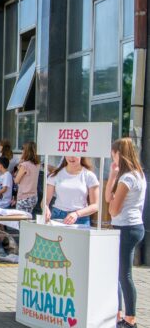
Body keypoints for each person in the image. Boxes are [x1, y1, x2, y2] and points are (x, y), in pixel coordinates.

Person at [105, 138, 146, 328]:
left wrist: (113, 202)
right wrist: (112, 175)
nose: (111, 156)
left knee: (124, 275)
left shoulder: (128, 178)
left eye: (113, 153)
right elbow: (108, 198)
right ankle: (119, 314)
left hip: (126, 228)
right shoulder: (137, 175)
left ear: (119, 153)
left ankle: (130, 319)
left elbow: (113, 209)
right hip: (133, 226)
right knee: (120, 273)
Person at [44, 156, 99, 226]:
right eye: (68, 154)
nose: (71, 157)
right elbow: (46, 200)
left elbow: (95, 205)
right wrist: (45, 207)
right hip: (57, 217)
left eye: (75, 154)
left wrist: (77, 214)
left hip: (81, 218)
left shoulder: (89, 175)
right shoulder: (55, 174)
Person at [14, 141, 40, 214]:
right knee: (27, 219)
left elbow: (16, 180)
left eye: (23, 149)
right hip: (33, 196)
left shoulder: (24, 165)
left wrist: (20, 165)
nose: (22, 151)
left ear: (27, 151)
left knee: (20, 221)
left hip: (24, 197)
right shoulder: (37, 165)